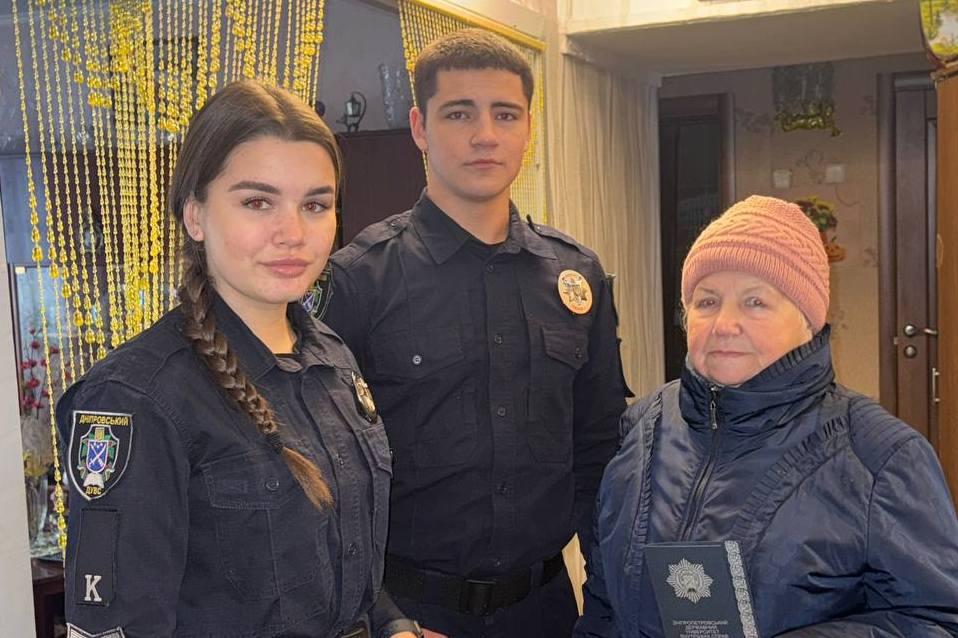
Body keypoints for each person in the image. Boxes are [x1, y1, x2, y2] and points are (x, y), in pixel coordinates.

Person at [56, 80, 422, 638]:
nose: (292, 233)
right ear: (195, 215)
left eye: (315, 205)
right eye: (257, 202)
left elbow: (346, 559)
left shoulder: (332, 358)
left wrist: (393, 625)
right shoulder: (135, 399)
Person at [315, 29, 630, 638]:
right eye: (459, 113)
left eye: (505, 114)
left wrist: (608, 604)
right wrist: (384, 619)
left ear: (528, 128)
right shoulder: (358, 281)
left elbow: (599, 456)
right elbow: (326, 480)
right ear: (420, 127)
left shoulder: (576, 277)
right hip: (410, 617)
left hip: (547, 613)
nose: (485, 134)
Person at [575, 195, 958, 637]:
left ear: (809, 321)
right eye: (707, 302)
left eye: (755, 302)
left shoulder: (881, 458)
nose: (724, 324)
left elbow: (937, 621)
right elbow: (603, 600)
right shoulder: (642, 429)